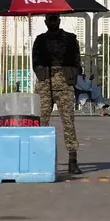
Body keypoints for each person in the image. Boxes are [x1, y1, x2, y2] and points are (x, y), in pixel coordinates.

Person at [32, 14, 83, 175]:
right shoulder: (40, 40)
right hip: (45, 83)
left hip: (64, 83)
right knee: (41, 123)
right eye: (49, 19)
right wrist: (42, 73)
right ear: (45, 21)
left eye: (55, 19)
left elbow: (76, 61)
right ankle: (39, 158)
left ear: (59, 21)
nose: (52, 22)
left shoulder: (70, 39)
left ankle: (72, 160)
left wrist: (72, 75)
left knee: (68, 122)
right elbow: (35, 61)